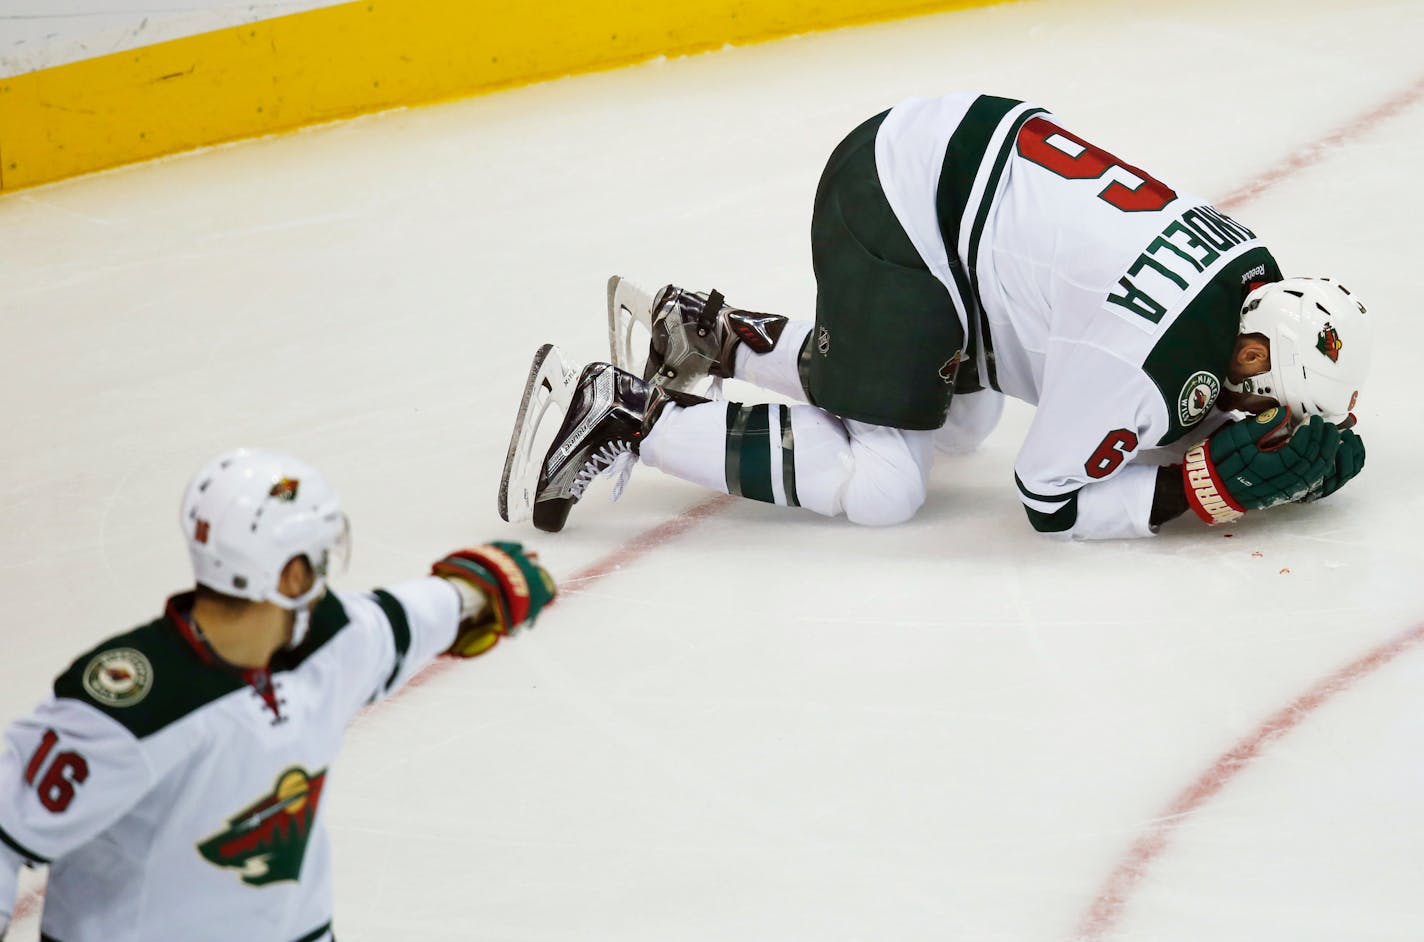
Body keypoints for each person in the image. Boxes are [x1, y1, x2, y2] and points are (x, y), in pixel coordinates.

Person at [499, 91, 1371, 540]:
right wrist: (1198, 492)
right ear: (1254, 348)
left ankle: (702, 332)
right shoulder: (1142, 364)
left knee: (961, 421)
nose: (1259, 416)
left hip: (944, 161)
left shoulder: (1251, 269)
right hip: (901, 211)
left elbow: (1176, 381)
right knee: (886, 485)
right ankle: (622, 411)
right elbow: (1050, 500)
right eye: (1266, 401)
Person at [0, 449, 555, 942]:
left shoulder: (325, 643)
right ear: (288, 576)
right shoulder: (133, 703)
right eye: (316, 559)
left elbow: (395, 623)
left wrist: (469, 595)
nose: (323, 578)